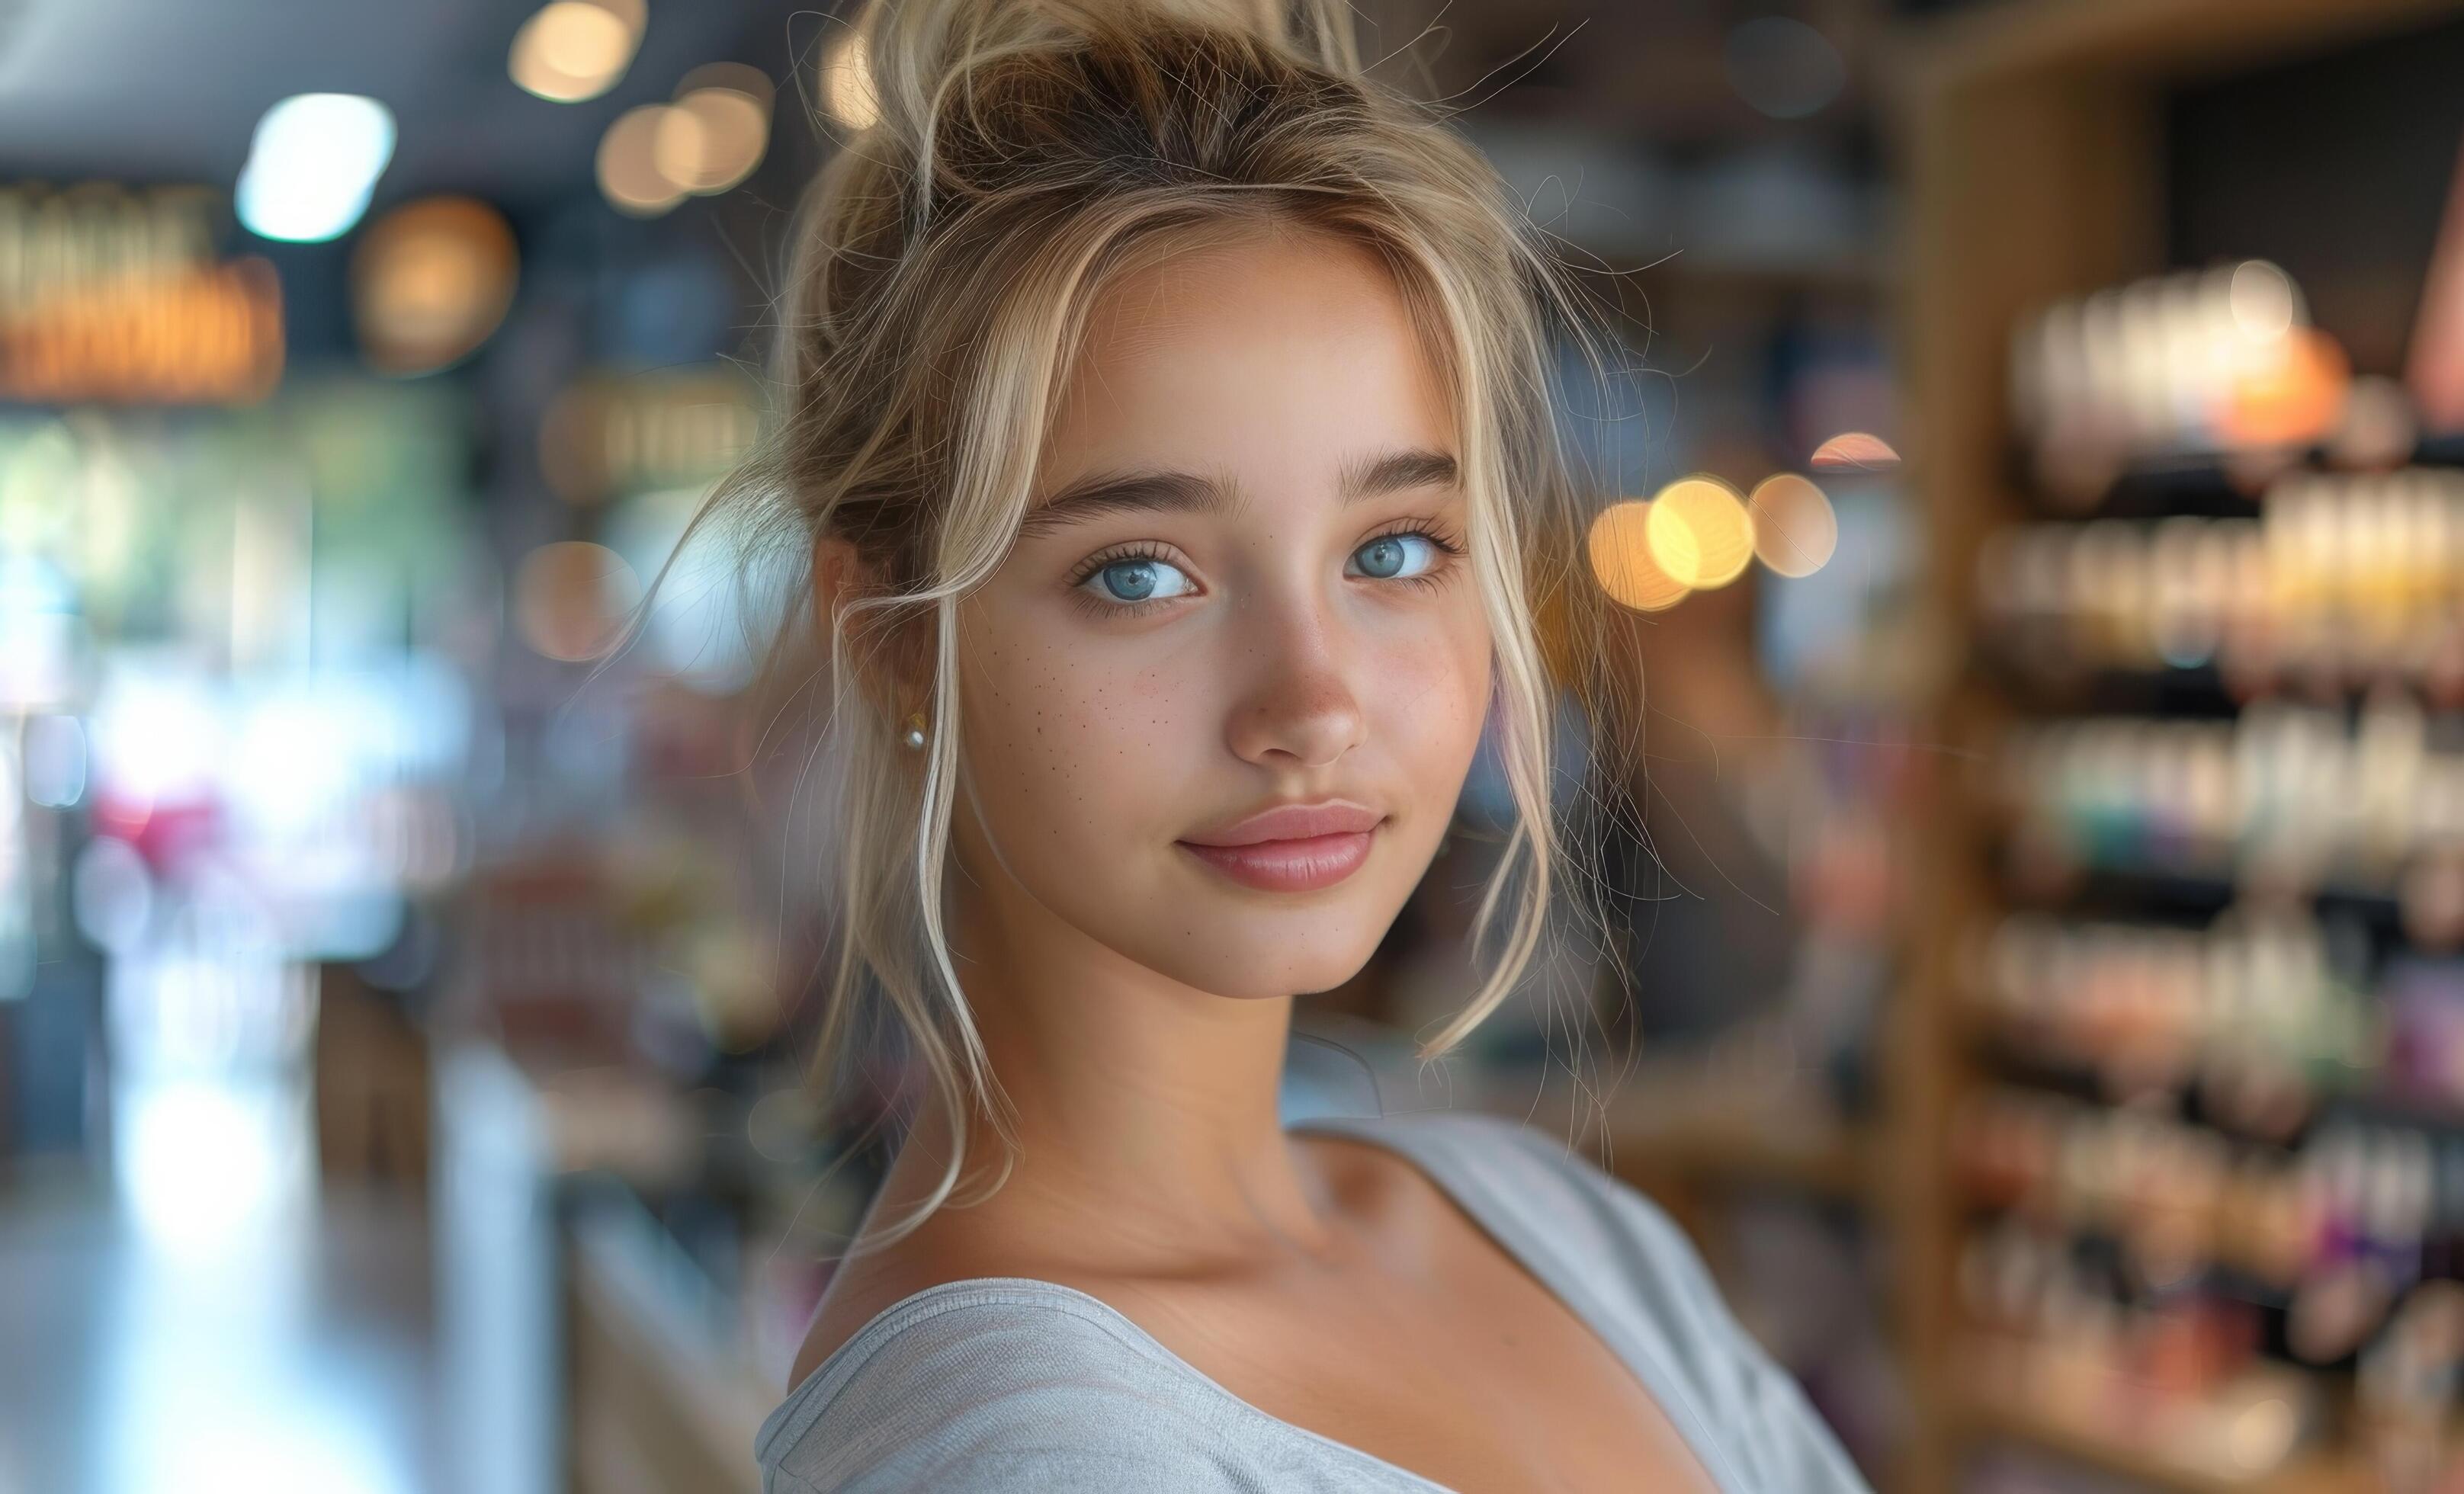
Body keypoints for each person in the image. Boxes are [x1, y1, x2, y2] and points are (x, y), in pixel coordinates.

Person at [715, 0, 1876, 1487]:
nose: (1315, 703)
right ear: (892, 639)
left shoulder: (1560, 1230)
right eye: (1142, 571)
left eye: (1392, 548)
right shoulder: (1033, 1455)